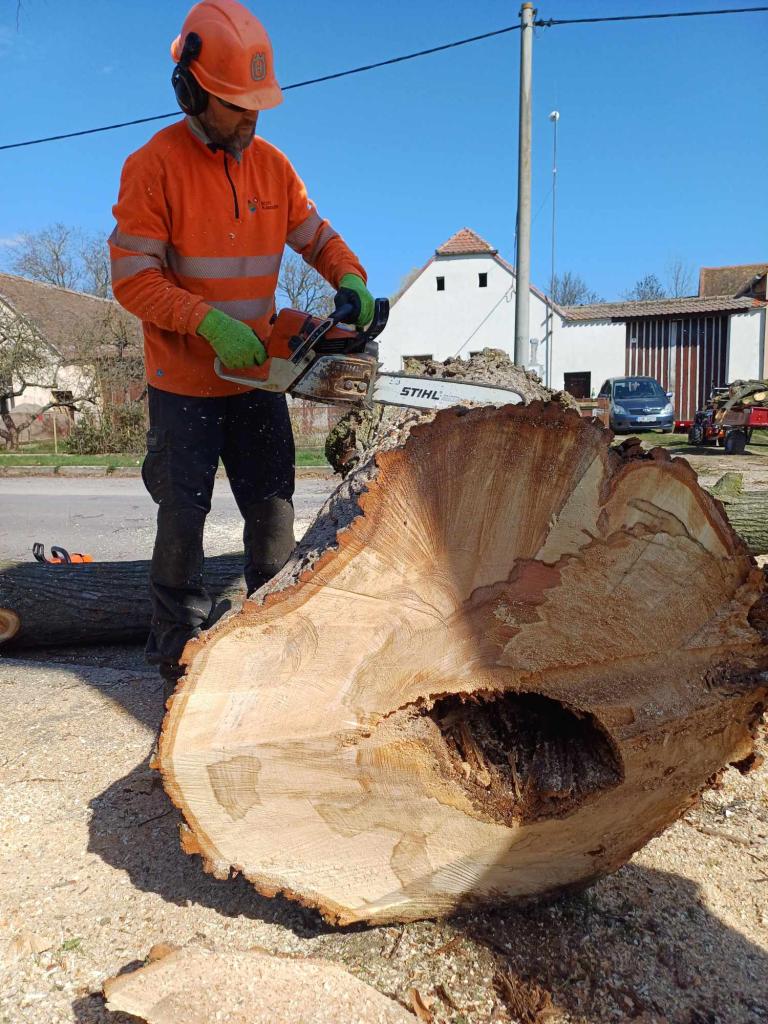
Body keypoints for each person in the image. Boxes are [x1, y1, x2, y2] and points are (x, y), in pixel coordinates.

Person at [109, 0, 373, 693]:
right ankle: (176, 648)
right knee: (182, 519)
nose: (252, 116)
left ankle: (272, 628)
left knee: (274, 509)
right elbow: (133, 278)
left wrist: (349, 276)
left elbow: (315, 234)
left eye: (257, 103)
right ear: (192, 92)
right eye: (235, 104)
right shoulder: (152, 167)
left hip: (258, 378)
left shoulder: (273, 168)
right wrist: (206, 322)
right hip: (182, 384)